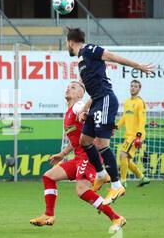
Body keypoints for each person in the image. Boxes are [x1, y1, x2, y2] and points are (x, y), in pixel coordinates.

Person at [65, 27, 154, 205]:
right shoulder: (82, 60)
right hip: (97, 101)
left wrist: (138, 66)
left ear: (70, 42)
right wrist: (85, 109)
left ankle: (116, 185)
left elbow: (112, 56)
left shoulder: (89, 49)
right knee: (85, 140)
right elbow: (94, 91)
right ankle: (101, 174)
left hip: (106, 100)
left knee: (101, 144)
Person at [30, 81, 126, 231]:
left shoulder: (77, 107)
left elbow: (84, 109)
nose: (69, 88)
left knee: (82, 190)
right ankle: (48, 215)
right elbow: (76, 140)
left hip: (88, 156)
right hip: (79, 157)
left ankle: (116, 218)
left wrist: (93, 105)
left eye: (73, 87)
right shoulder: (68, 112)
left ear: (81, 94)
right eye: (68, 87)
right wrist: (63, 154)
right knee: (49, 176)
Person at [116, 80, 150, 188]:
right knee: (127, 159)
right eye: (132, 86)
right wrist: (116, 127)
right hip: (129, 135)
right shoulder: (127, 102)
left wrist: (138, 137)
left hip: (136, 135)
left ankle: (123, 181)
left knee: (123, 155)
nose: (133, 88)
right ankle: (142, 177)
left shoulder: (140, 102)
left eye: (135, 86)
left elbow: (142, 121)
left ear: (139, 89)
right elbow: (124, 118)